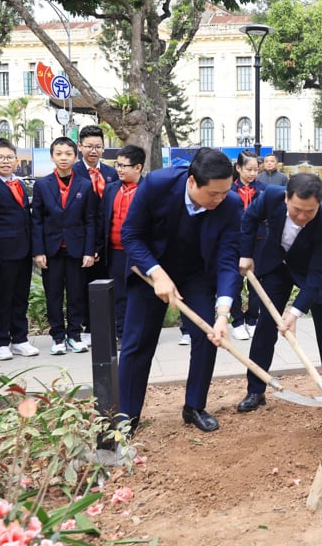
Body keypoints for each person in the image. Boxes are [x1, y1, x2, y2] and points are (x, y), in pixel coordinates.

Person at [118, 148, 242, 434]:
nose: (220, 199)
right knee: (138, 344)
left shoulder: (230, 204)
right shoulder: (156, 185)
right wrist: (157, 273)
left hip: (196, 273)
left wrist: (223, 314)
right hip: (150, 271)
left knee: (207, 335)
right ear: (192, 183)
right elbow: (131, 235)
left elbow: (227, 260)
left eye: (225, 192)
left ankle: (194, 406)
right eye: (213, 194)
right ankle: (127, 416)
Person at [235, 173, 322, 412]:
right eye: (297, 210)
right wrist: (246, 254)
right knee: (265, 325)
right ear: (286, 198)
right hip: (277, 266)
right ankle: (256, 389)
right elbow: (250, 219)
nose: (302, 217)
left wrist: (295, 313)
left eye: (310, 212)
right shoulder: (271, 198)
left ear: (319, 205)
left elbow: (317, 274)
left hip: (313, 274)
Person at [31, 137, 98, 355]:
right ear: (52, 156)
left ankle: (74, 335)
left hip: (77, 249)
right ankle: (58, 337)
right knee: (54, 294)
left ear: (75, 156)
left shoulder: (85, 185)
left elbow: (91, 220)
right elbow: (37, 220)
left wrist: (89, 251)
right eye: (59, 153)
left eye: (68, 154)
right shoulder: (42, 185)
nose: (63, 158)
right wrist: (38, 250)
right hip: (51, 250)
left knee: (77, 294)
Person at [0, 139, 40, 360]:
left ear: (16, 160)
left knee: (20, 296)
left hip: (22, 250)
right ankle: (0, 341)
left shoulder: (19, 183)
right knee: (0, 297)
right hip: (1, 253)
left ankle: (20, 339)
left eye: (9, 157)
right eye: (0, 157)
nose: (5, 161)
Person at [73, 125, 117, 346]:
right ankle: (85, 328)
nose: (93, 151)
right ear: (80, 147)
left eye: (98, 146)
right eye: (89, 146)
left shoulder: (111, 173)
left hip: (107, 239)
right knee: (82, 286)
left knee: (106, 284)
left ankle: (101, 327)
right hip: (81, 241)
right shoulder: (73, 172)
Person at [99, 144, 146, 350]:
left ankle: (139, 333)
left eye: (124, 166)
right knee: (118, 295)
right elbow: (103, 219)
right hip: (115, 251)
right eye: (117, 165)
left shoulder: (148, 189)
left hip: (139, 253)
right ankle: (121, 334)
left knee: (138, 294)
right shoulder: (111, 189)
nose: (119, 169)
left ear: (138, 168)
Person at [230, 150, 267, 340]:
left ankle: (253, 319)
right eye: (249, 169)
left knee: (257, 282)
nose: (253, 173)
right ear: (238, 168)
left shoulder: (263, 190)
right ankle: (236, 321)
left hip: (259, 242)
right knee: (234, 283)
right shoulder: (228, 190)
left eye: (256, 170)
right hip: (235, 242)